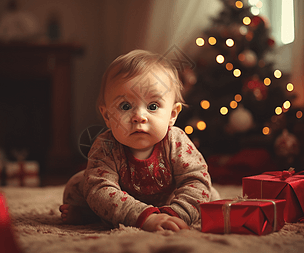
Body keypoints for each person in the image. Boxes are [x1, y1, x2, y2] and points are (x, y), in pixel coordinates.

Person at [60, 50, 220, 232]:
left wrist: (175, 214)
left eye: (153, 106)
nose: (139, 116)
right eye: (125, 106)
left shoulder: (176, 141)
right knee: (79, 185)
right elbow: (100, 188)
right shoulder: (106, 146)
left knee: (209, 193)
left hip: (169, 199)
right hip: (120, 202)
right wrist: (143, 217)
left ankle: (170, 212)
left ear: (172, 115)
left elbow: (195, 179)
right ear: (107, 116)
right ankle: (86, 213)